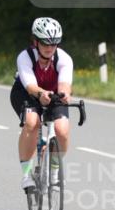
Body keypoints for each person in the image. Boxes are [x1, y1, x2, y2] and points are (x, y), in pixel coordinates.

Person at [10, 17, 74, 190]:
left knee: (62, 129)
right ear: (35, 41)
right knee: (32, 122)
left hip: (53, 93)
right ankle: (26, 175)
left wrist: (64, 94)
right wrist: (40, 94)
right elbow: (30, 85)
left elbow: (65, 84)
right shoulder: (25, 57)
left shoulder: (64, 58)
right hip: (26, 93)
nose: (50, 48)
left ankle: (54, 173)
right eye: (45, 43)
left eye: (54, 44)